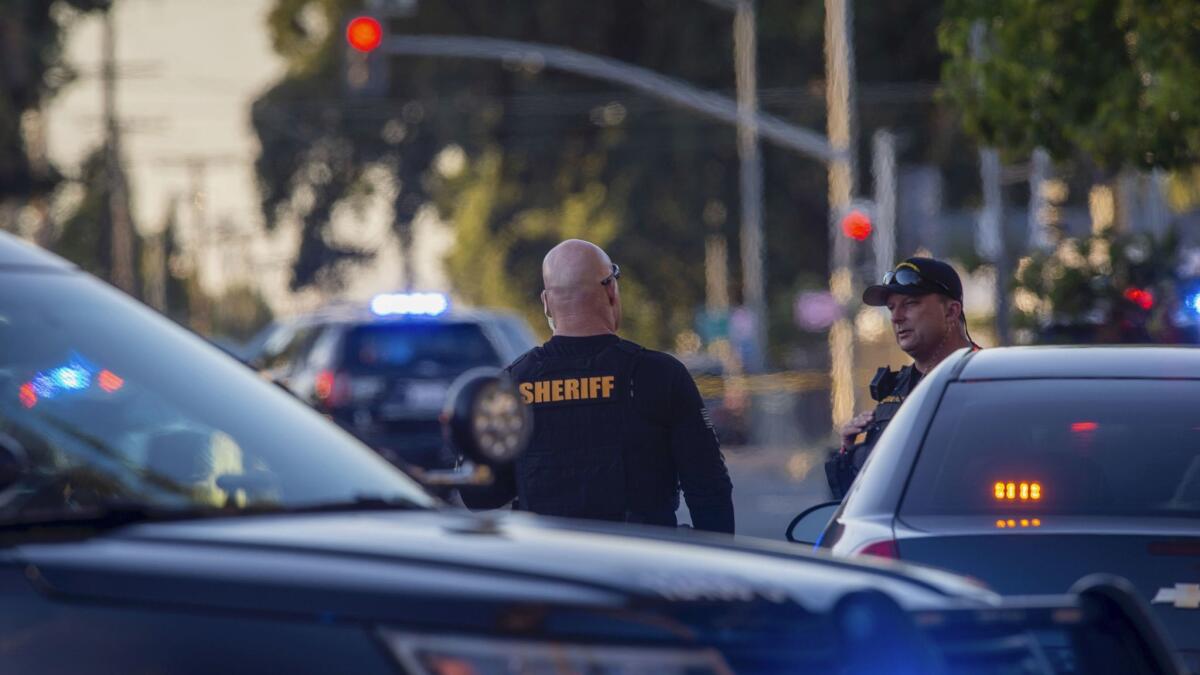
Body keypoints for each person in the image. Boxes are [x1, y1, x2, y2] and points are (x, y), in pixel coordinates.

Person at [460, 239, 735, 534]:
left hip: (548, 568)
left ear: (546, 304)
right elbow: (709, 489)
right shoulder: (660, 376)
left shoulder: (512, 384)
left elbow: (480, 495)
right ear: (611, 291)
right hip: (640, 568)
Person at [825, 257, 979, 498]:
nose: (896, 318)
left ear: (951, 311)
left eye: (910, 304)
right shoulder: (896, 387)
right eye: (891, 308)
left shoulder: (987, 380)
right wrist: (850, 451)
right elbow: (866, 496)